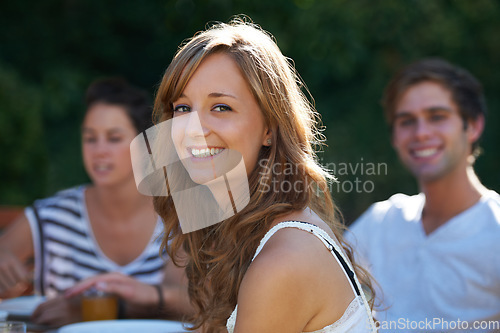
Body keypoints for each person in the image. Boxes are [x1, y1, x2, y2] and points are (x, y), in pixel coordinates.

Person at [150, 18, 377, 333]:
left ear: (269, 129)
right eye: (183, 108)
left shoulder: (283, 260)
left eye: (221, 108)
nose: (193, 130)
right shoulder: (238, 234)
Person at [0, 78, 192, 326]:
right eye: (90, 138)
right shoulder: (52, 216)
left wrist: (97, 310)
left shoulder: (178, 216)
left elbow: (182, 301)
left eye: (113, 138)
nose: (99, 150)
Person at [346, 58, 500, 332]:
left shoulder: (495, 230)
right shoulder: (379, 223)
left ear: (473, 126)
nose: (421, 133)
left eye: (437, 116)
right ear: (394, 137)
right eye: (406, 121)